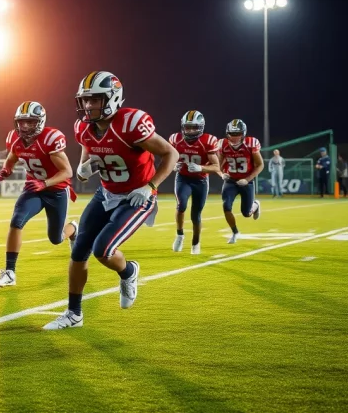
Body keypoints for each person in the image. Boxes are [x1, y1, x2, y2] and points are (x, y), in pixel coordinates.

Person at [44, 71, 178, 330]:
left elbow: (170, 153)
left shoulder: (131, 123)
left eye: (95, 100)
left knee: (103, 250)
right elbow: (85, 163)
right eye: (85, 100)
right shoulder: (83, 127)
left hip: (135, 197)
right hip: (105, 193)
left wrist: (150, 186)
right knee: (79, 248)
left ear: (112, 98)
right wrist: (84, 169)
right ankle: (74, 314)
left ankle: (128, 272)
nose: (88, 106)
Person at [0, 101, 78, 287]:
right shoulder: (15, 139)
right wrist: (6, 169)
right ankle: (9, 272)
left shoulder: (49, 139)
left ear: (39, 121)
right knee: (16, 222)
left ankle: (73, 228)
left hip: (56, 191)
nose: (24, 126)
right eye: (21, 122)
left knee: (55, 239)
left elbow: (67, 172)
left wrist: (45, 183)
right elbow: (12, 156)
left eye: (30, 122)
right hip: (33, 189)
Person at [168, 110, 221, 255]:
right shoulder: (175, 139)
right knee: (181, 205)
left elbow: (217, 166)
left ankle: (196, 242)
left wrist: (201, 167)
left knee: (195, 214)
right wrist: (174, 165)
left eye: (194, 127)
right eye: (188, 127)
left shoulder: (207, 141)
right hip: (183, 178)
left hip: (200, 180)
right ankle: (179, 235)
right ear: (182, 126)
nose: (190, 131)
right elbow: (169, 158)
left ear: (201, 127)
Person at [217, 119, 263, 244]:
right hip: (231, 181)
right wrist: (221, 174)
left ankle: (256, 205)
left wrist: (247, 179)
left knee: (246, 213)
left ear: (243, 134)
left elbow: (260, 165)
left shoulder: (250, 144)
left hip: (246, 181)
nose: (235, 138)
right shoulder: (223, 145)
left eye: (238, 134)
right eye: (233, 134)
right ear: (228, 134)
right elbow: (217, 165)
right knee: (226, 206)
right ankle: (235, 232)